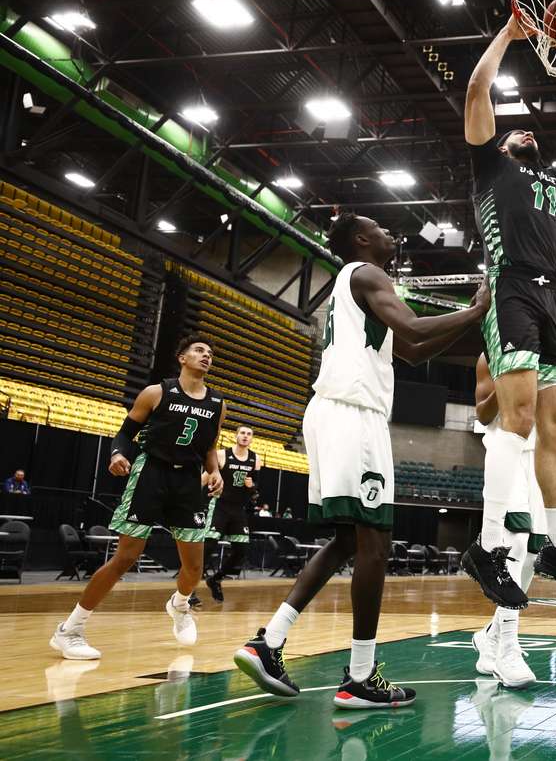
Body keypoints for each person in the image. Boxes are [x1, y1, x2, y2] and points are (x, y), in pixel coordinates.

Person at [233, 213, 489, 709]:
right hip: (354, 416)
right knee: (375, 545)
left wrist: (467, 321)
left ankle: (269, 641)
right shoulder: (369, 274)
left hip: (331, 413)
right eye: (383, 229)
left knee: (349, 540)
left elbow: (412, 348)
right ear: (359, 239)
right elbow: (414, 326)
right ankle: (360, 676)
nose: (394, 234)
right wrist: (474, 312)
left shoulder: (356, 288)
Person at [461, 14, 556, 606]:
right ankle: (489, 546)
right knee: (517, 420)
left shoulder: (554, 178)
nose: (524, 131)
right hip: (513, 289)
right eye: (513, 129)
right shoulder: (488, 168)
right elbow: (477, 90)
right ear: (499, 143)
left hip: (552, 299)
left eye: (530, 131)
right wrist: (508, 33)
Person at [50, 335, 225, 660]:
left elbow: (210, 447)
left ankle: (180, 604)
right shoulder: (157, 393)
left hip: (188, 480)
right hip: (151, 473)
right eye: (199, 351)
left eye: (210, 354)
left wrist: (215, 472)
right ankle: (69, 630)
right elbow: (124, 434)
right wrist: (117, 454)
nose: (206, 356)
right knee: (125, 557)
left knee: (194, 566)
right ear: (182, 358)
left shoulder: (218, 404)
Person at [470, 353, 549, 688]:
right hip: (507, 449)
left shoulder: (552, 353)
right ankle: (507, 649)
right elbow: (482, 412)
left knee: (535, 552)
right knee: (514, 540)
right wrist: (506, 384)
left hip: (539, 456)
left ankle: (490, 634)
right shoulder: (490, 356)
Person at [204, 426, 260, 602]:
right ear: (236, 436)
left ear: (252, 439)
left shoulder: (255, 459)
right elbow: (206, 475)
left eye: (249, 434)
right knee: (208, 547)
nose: (245, 436)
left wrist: (252, 486)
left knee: (241, 551)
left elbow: (255, 491)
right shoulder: (222, 455)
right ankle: (187, 592)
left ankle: (216, 579)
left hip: (238, 509)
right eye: (242, 433)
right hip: (220, 505)